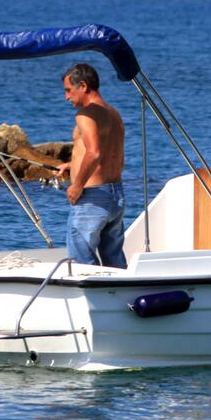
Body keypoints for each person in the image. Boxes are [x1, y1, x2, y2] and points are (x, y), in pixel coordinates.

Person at [56, 62, 127, 268]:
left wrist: (77, 185)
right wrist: (72, 163)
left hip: (92, 198)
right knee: (114, 261)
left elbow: (94, 152)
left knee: (81, 262)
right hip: (116, 195)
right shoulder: (114, 113)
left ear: (83, 86)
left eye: (69, 90)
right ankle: (116, 298)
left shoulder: (86, 114)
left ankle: (89, 299)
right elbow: (108, 150)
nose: (66, 97)